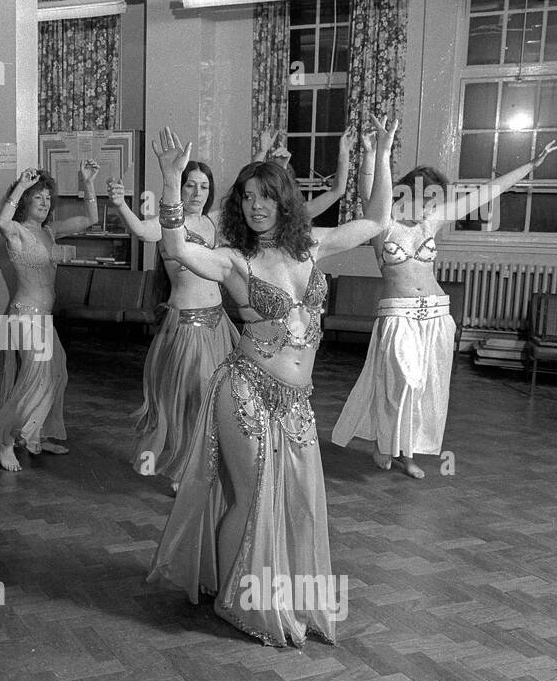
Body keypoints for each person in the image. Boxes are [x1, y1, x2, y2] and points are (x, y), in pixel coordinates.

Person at [146, 115, 396, 647]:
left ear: (285, 202)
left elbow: (376, 219)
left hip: (298, 401)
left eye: (266, 196)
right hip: (245, 389)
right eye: (246, 197)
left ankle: (278, 593)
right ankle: (233, 599)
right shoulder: (235, 260)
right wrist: (170, 183)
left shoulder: (312, 247)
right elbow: (180, 251)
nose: (255, 206)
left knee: (300, 501)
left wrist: (380, 153)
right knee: (253, 494)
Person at [331, 138, 557, 478]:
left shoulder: (431, 222)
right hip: (399, 316)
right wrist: (370, 152)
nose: (427, 205)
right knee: (400, 383)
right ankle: (384, 443)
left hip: (437, 314)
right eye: (421, 196)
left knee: (422, 388)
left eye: (433, 199)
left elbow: (485, 194)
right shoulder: (382, 223)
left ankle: (406, 454)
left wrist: (530, 166)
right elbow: (368, 190)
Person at [108, 160, 237, 487]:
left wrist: (270, 159)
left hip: (219, 324)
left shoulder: (215, 221)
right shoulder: (167, 226)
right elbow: (139, 230)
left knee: (217, 397)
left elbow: (250, 205)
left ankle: (207, 464)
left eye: (204, 186)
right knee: (192, 396)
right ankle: (183, 469)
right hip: (187, 326)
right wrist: (121, 203)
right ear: (179, 188)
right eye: (190, 185)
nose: (197, 192)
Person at [0, 163, 98, 471]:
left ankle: (34, 432)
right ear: (26, 200)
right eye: (37, 197)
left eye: (47, 197)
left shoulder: (49, 232)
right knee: (35, 380)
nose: (44, 202)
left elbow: (91, 218)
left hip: (43, 319)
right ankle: (5, 440)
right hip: (24, 317)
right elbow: (1, 219)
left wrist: (87, 183)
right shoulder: (16, 232)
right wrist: (20, 187)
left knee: (57, 373)